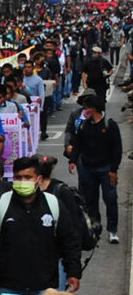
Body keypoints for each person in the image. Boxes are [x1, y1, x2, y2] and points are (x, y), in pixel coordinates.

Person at [0, 157, 81, 295]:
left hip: (46, 285)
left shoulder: (53, 204)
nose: (23, 181)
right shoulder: (2, 203)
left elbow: (69, 239)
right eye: (18, 177)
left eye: (28, 177)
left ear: (39, 179)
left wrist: (73, 271)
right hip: (7, 285)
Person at [63, 93, 120, 242]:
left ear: (94, 109)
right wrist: (73, 161)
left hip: (106, 169)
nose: (84, 111)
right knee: (89, 200)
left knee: (110, 199)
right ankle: (95, 226)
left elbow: (117, 149)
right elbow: (78, 144)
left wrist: (114, 170)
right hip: (87, 168)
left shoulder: (110, 125)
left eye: (87, 108)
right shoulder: (83, 125)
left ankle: (112, 230)